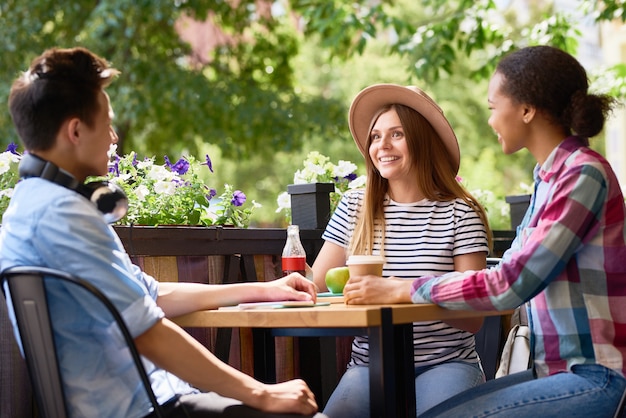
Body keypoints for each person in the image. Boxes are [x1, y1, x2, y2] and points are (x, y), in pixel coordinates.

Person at [0, 46, 326, 418]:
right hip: (151, 407)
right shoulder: (67, 213)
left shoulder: (30, 207)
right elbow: (147, 330)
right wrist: (262, 393)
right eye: (106, 122)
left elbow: (152, 294)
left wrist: (264, 289)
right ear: (75, 130)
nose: (113, 137)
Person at [343, 46, 626, 417]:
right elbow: (501, 272)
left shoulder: (581, 175)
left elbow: (511, 284)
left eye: (494, 107)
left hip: (596, 377)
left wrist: (403, 288)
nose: (491, 121)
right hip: (551, 372)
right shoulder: (548, 180)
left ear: (526, 110)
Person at [311, 83, 492, 416]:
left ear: (421, 141)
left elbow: (473, 316)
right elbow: (317, 285)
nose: (382, 145)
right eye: (376, 136)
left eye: (396, 134)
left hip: (447, 362)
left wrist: (398, 291)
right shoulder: (355, 206)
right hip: (370, 364)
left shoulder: (459, 212)